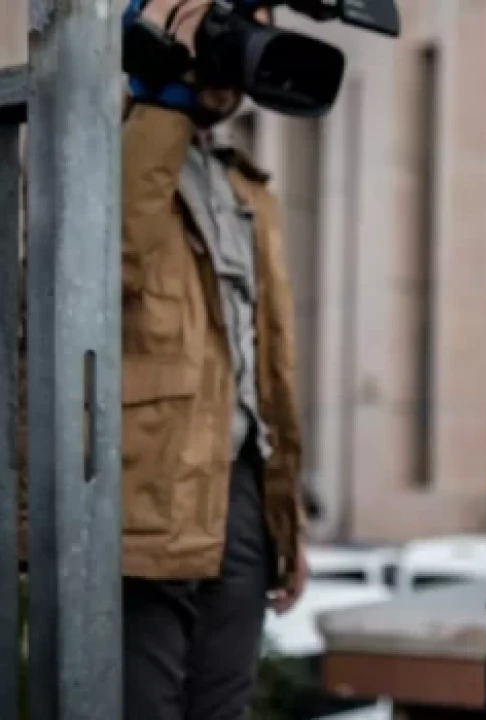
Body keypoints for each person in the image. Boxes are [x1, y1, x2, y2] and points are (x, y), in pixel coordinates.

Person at [113, 1, 308, 716]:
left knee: (225, 706)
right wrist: (165, 89)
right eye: (222, 29)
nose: (234, 57)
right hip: (147, 485)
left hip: (242, 489)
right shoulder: (113, 152)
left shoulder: (246, 187)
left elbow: (268, 373)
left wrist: (286, 523)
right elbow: (105, 265)